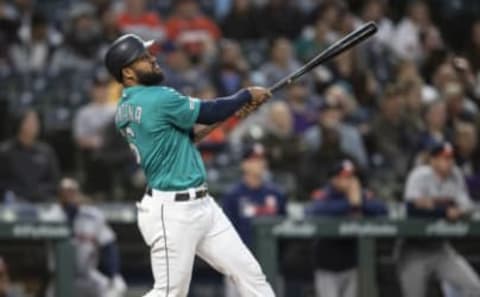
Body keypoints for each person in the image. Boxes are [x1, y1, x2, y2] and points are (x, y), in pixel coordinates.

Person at [104, 34, 275, 297]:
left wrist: (231, 111)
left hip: (202, 206)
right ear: (127, 72)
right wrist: (246, 95)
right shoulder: (156, 98)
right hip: (172, 211)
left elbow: (182, 138)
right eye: (144, 58)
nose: (153, 59)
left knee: (249, 274)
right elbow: (209, 111)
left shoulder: (126, 107)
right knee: (169, 293)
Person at [398, 141, 480, 297]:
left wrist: (433, 206)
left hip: (440, 249)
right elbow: (412, 207)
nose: (448, 163)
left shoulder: (456, 174)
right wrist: (444, 210)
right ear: (432, 160)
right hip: (413, 249)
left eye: (450, 158)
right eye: (443, 158)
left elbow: (466, 206)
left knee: (475, 288)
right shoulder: (419, 175)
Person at [306, 160, 387, 297]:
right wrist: (349, 203)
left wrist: (358, 202)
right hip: (327, 265)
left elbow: (383, 210)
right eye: (344, 177)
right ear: (334, 179)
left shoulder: (362, 194)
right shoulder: (325, 194)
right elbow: (311, 211)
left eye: (351, 176)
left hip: (352, 264)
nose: (348, 181)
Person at [222, 143, 286, 297]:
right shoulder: (233, 195)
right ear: (244, 164)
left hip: (269, 264)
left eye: (262, 159)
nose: (260, 163)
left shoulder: (276, 194)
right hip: (239, 265)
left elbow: (284, 228)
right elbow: (226, 233)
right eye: (254, 159)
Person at [47, 178, 126, 297]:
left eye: (72, 191)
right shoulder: (51, 216)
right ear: (59, 195)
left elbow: (108, 245)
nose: (69, 195)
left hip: (88, 275)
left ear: (78, 193)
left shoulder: (92, 216)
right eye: (65, 191)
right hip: (60, 277)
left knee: (115, 290)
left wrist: (114, 274)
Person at [73, 69, 116, 199]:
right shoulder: (84, 112)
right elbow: (79, 140)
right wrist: (98, 142)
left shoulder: (117, 108)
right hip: (94, 153)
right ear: (92, 89)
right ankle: (96, 194)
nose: (101, 91)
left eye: (104, 87)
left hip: (116, 151)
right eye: (98, 87)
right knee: (98, 158)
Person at [0, 109, 60, 202]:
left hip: (42, 201)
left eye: (36, 121)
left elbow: (54, 182)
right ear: (20, 123)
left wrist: (39, 192)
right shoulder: (5, 151)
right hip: (14, 201)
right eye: (30, 121)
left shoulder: (46, 151)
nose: (35, 125)